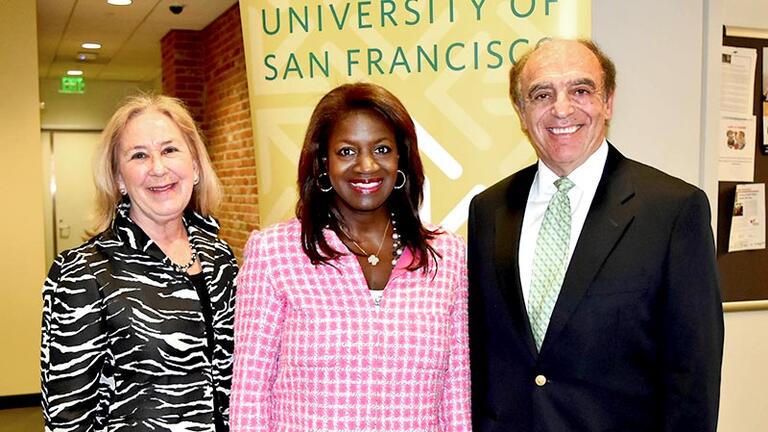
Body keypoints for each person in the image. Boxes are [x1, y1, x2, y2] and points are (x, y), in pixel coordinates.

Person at [467, 39, 724, 431]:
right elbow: (482, 358)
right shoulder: (488, 211)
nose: (562, 109)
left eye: (581, 90)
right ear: (521, 111)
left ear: (608, 102)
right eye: (541, 94)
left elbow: (692, 377)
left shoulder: (673, 210)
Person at [230, 82, 470, 432]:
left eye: (382, 149)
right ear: (323, 162)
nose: (366, 166)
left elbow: (457, 394)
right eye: (346, 152)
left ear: (401, 157)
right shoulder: (274, 254)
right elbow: (249, 397)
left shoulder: (447, 256)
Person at [40, 94, 238, 431]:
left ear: (194, 166)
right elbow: (67, 417)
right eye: (139, 155)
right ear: (119, 178)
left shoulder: (221, 258)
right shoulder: (82, 271)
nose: (158, 168)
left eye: (170, 150)